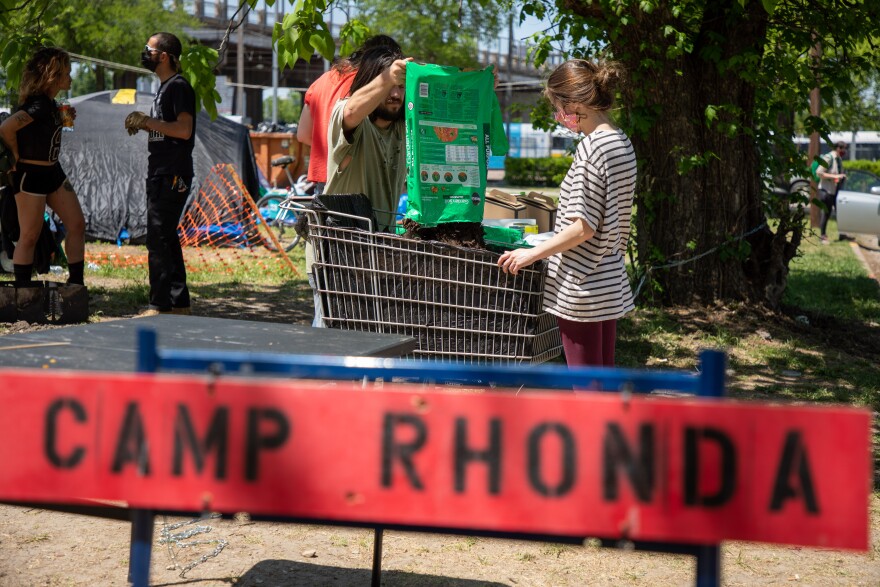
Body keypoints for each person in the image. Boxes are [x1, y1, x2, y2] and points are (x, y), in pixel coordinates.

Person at [497, 58, 637, 368]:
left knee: (587, 386)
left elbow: (582, 228)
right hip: (609, 278)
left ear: (574, 102)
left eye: (558, 106)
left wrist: (529, 255)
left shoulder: (591, 150)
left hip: (581, 285)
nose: (559, 116)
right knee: (604, 377)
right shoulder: (621, 142)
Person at [0, 47, 86, 288]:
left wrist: (61, 118)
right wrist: (15, 155)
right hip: (30, 175)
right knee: (29, 235)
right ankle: (23, 292)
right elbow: (5, 129)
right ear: (53, 76)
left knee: (77, 224)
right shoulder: (38, 105)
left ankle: (76, 285)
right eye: (67, 73)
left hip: (53, 172)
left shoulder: (51, 104)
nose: (71, 77)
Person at [124, 32, 196, 315]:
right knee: (165, 235)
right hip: (160, 172)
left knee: (157, 237)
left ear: (163, 56)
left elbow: (184, 129)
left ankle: (159, 305)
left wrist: (147, 121)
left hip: (172, 173)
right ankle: (180, 303)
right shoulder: (165, 88)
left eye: (149, 49)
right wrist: (146, 122)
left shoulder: (179, 86)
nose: (145, 53)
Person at [297, 35, 401, 196]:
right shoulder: (370, 83)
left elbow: (303, 134)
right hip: (356, 180)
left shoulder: (322, 80)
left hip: (323, 178)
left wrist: (334, 148)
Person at [816, 141, 848, 244]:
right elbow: (819, 172)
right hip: (826, 190)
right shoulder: (829, 157)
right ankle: (822, 236)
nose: (845, 151)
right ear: (838, 148)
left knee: (841, 213)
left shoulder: (838, 159)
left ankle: (842, 234)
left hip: (835, 191)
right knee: (826, 213)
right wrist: (835, 177)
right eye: (843, 149)